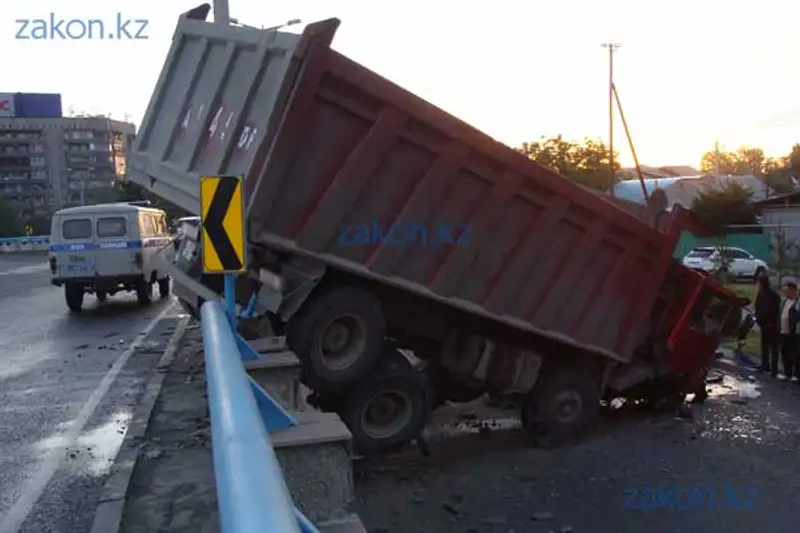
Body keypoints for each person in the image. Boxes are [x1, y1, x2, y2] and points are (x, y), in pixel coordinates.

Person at [755, 274, 780, 374]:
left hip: (771, 325)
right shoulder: (760, 294)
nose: (758, 285)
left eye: (759, 283)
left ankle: (775, 368)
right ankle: (765, 364)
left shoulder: (774, 296)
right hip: (762, 323)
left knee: (773, 347)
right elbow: (757, 306)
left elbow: (775, 311)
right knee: (764, 345)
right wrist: (758, 318)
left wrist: (771, 322)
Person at [777, 279, 799, 381]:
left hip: (793, 332)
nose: (786, 293)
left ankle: (797, 374)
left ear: (793, 290)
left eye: (788, 291)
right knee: (784, 352)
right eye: (785, 291)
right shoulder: (784, 301)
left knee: (795, 353)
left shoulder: (797, 303)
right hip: (782, 330)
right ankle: (787, 372)